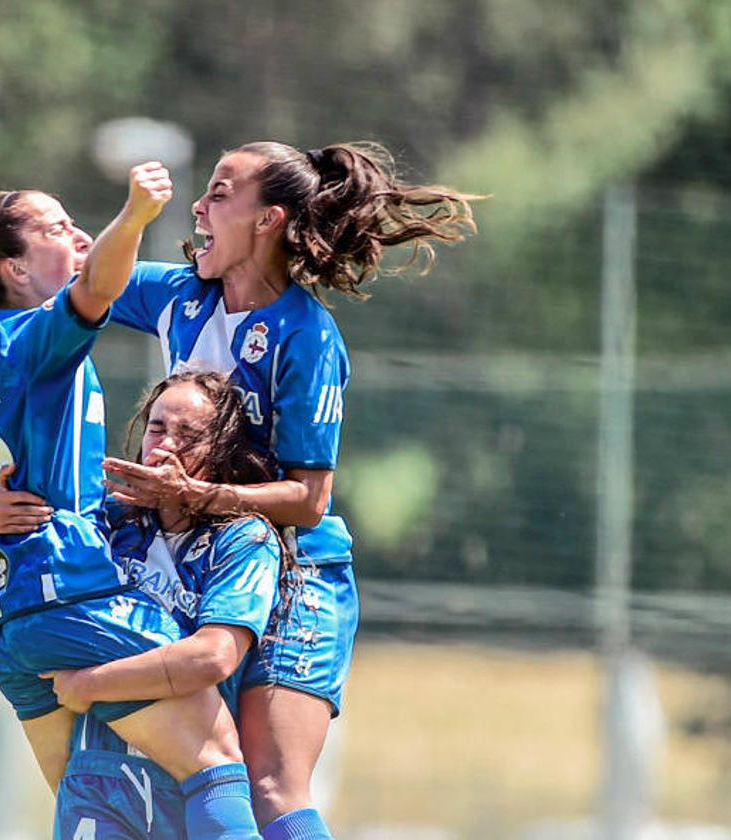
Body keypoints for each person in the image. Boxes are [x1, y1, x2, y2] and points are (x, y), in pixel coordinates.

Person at [0, 166, 263, 840]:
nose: (79, 235)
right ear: (15, 266)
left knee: (86, 794)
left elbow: (4, 487)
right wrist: (138, 213)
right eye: (56, 228)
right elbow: (98, 288)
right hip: (67, 592)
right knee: (217, 764)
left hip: (3, 615)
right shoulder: (35, 333)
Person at [97, 141, 478, 839]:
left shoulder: (307, 336)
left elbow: (310, 498)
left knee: (272, 786)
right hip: (212, 566)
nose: (199, 206)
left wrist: (201, 497)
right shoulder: (180, 294)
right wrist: (127, 218)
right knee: (203, 775)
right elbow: (88, 283)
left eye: (218, 193)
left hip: (299, 572)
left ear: (267, 219)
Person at [0, 371, 295, 840]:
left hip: (187, 780)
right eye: (158, 428)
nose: (165, 446)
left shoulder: (244, 538)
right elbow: (21, 566)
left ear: (223, 449)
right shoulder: (105, 521)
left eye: (189, 435)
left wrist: (91, 684)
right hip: (100, 776)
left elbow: (213, 655)